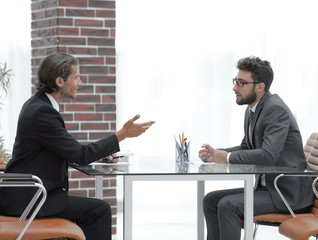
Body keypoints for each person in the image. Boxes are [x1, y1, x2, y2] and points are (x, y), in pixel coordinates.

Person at [0, 53, 155, 240]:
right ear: (59, 81)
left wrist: (96, 155)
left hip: (28, 194)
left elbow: (67, 150)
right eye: (76, 77)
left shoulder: (38, 104)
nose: (80, 83)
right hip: (30, 199)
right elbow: (79, 155)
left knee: (93, 210)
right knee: (100, 210)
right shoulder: (42, 112)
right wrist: (122, 134)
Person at [198, 56, 314, 240]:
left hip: (286, 194)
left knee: (228, 205)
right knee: (211, 200)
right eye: (235, 81)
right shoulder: (253, 109)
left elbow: (268, 155)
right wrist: (217, 154)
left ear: (260, 86)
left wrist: (226, 158)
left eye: (241, 83)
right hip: (268, 189)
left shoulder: (276, 110)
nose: (234, 87)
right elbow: (246, 147)